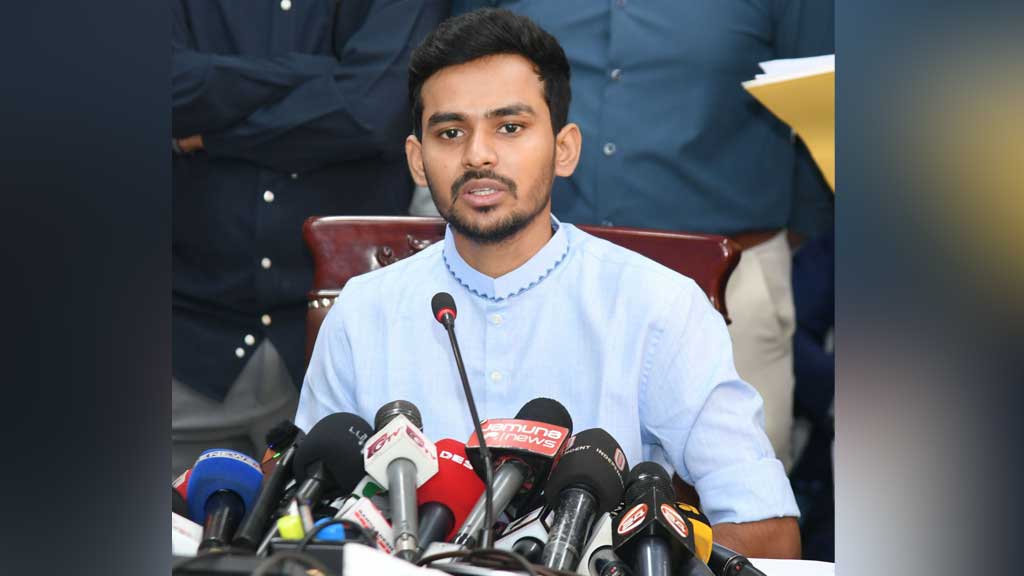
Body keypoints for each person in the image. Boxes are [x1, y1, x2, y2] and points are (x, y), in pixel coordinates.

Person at [297, 9, 800, 557]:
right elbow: (306, 518)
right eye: (450, 132)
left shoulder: (659, 308)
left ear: (565, 149)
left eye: (510, 127)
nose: (478, 154)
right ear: (418, 161)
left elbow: (767, 530)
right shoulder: (362, 313)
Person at [445, 0, 836, 471]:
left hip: (732, 280)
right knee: (520, 479)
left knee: (742, 485)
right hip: (535, 280)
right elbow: (454, 83)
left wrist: (801, 238)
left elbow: (824, 99)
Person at [170, 0, 447, 476]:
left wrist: (210, 135)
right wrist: (311, 75)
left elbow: (371, 111)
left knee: (347, 525)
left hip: (347, 350)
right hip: (186, 339)